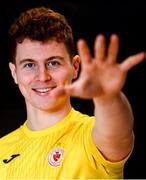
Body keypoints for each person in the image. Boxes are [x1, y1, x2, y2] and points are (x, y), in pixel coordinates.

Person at [0, 6, 145, 179]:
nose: (43, 77)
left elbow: (118, 133)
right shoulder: (2, 149)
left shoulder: (92, 136)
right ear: (14, 73)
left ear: (75, 66)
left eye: (53, 63)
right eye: (29, 65)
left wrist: (107, 96)